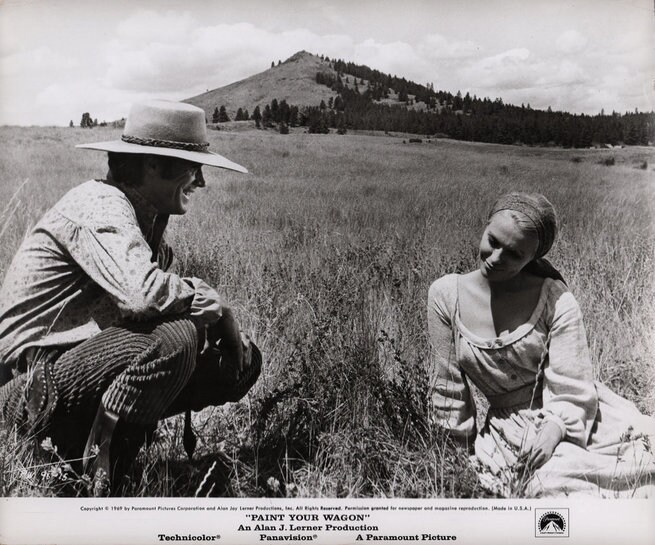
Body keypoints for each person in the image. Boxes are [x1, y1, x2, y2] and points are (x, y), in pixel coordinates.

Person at [0, 100, 261, 496]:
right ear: (153, 164)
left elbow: (147, 310)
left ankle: (101, 449)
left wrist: (220, 323)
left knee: (239, 362)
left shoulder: (146, 222)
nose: (201, 182)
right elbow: (144, 296)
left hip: (71, 374)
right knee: (178, 337)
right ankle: (94, 462)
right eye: (193, 166)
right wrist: (215, 305)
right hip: (27, 390)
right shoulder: (101, 206)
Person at [427, 192, 655, 497]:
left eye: (514, 254)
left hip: (575, 420)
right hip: (505, 434)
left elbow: (571, 386)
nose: (495, 259)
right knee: (542, 489)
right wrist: (454, 464)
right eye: (492, 241)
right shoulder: (445, 296)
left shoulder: (556, 299)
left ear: (532, 258)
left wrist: (554, 431)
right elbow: (448, 391)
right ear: (484, 227)